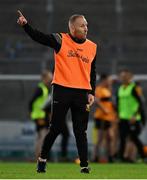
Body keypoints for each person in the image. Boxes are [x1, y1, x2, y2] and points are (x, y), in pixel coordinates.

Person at [17, 11, 98, 173]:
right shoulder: (61, 40)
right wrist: (26, 26)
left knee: (80, 131)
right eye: (82, 25)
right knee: (56, 128)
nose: (86, 28)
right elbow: (39, 37)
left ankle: (84, 165)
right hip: (62, 90)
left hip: (82, 93)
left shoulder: (92, 47)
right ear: (73, 28)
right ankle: (42, 159)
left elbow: (92, 72)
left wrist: (91, 92)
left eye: (86, 25)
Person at [116, 69, 146, 162]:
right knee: (122, 137)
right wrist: (117, 115)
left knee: (133, 137)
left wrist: (135, 115)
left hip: (133, 118)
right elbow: (118, 103)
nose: (123, 78)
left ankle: (143, 155)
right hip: (123, 118)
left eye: (125, 76)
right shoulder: (120, 88)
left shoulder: (134, 88)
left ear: (130, 77)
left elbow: (141, 103)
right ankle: (121, 158)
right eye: (122, 76)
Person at [92, 74, 117, 163]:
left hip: (108, 117)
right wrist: (104, 109)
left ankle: (109, 156)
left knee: (109, 137)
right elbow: (96, 100)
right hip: (101, 116)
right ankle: (95, 157)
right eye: (108, 80)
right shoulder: (98, 89)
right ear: (103, 80)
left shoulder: (107, 90)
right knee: (100, 138)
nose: (109, 82)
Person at [29, 70, 53, 160]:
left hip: (41, 115)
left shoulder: (44, 88)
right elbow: (31, 101)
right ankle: (38, 156)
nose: (51, 80)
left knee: (40, 136)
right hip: (39, 115)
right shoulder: (40, 89)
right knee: (42, 136)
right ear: (44, 78)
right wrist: (31, 112)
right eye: (49, 78)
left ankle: (37, 156)